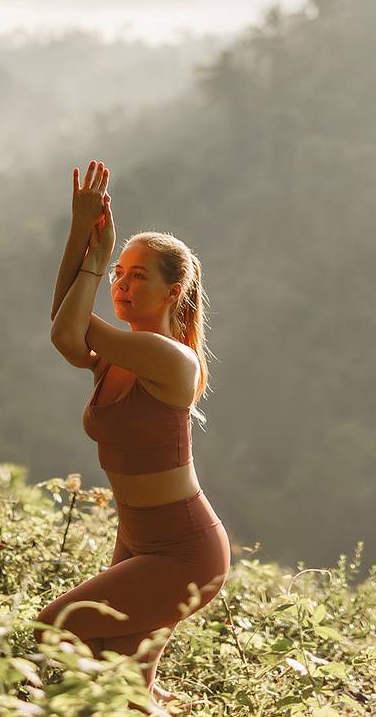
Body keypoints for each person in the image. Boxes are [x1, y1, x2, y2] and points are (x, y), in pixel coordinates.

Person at [33, 159, 230, 714]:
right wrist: (82, 229)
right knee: (120, 687)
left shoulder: (169, 359)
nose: (120, 284)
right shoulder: (113, 360)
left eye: (137, 275)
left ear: (174, 292)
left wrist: (93, 259)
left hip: (185, 553)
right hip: (140, 542)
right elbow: (65, 326)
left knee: (57, 627)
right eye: (118, 273)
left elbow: (66, 326)